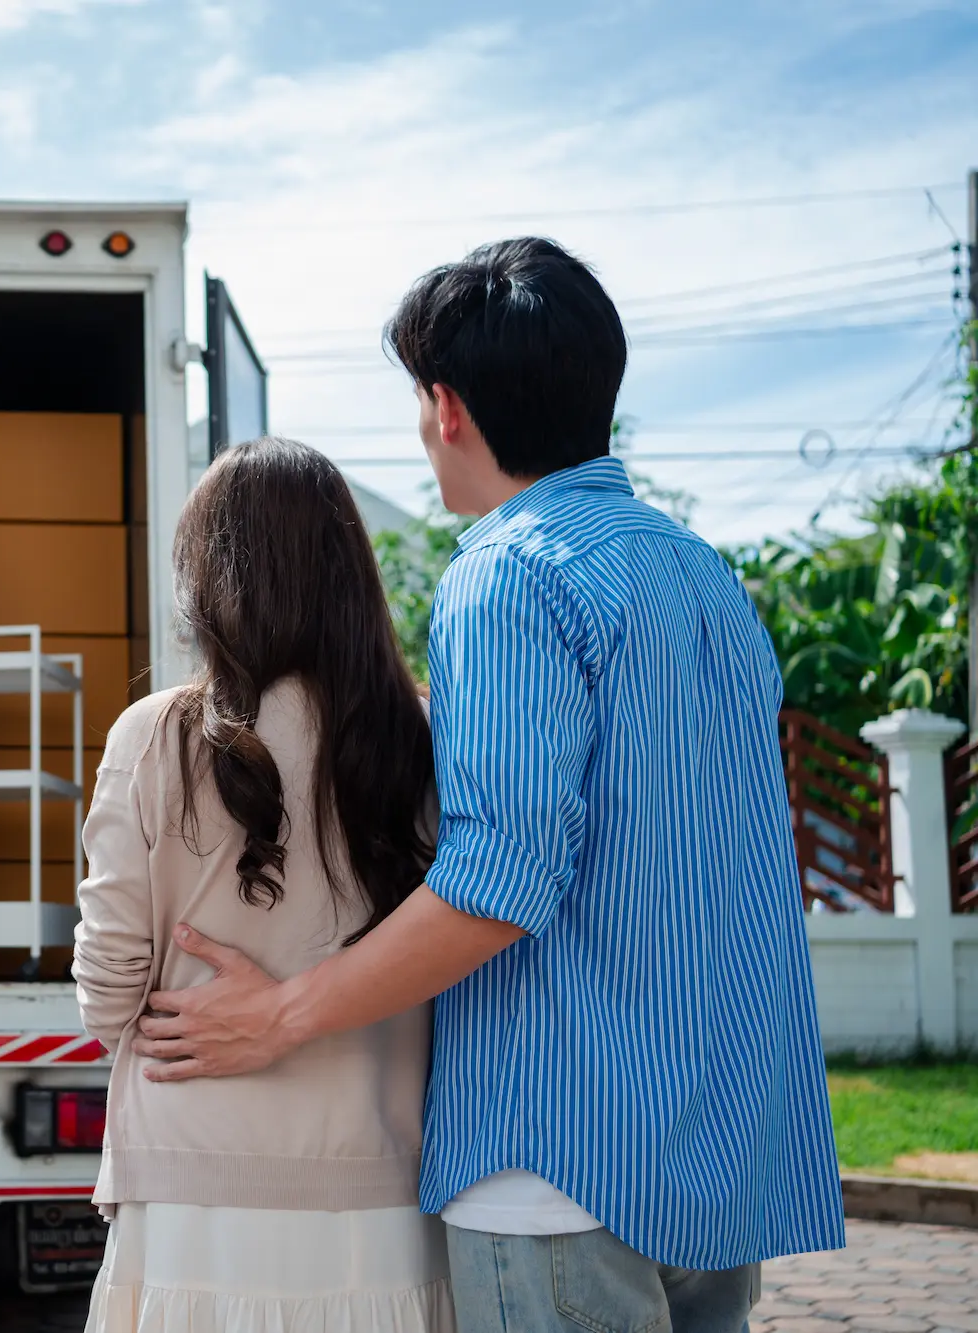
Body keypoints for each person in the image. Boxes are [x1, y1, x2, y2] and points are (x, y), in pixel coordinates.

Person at [128, 238, 844, 1333]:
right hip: (722, 1149)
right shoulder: (702, 571)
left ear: (446, 407)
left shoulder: (507, 572)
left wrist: (279, 1015)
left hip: (558, 1160)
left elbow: (498, 881)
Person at [74, 437, 449, 1332]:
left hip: (190, 1186)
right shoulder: (430, 736)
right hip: (382, 1187)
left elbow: (106, 991)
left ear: (205, 577)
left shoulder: (151, 735)